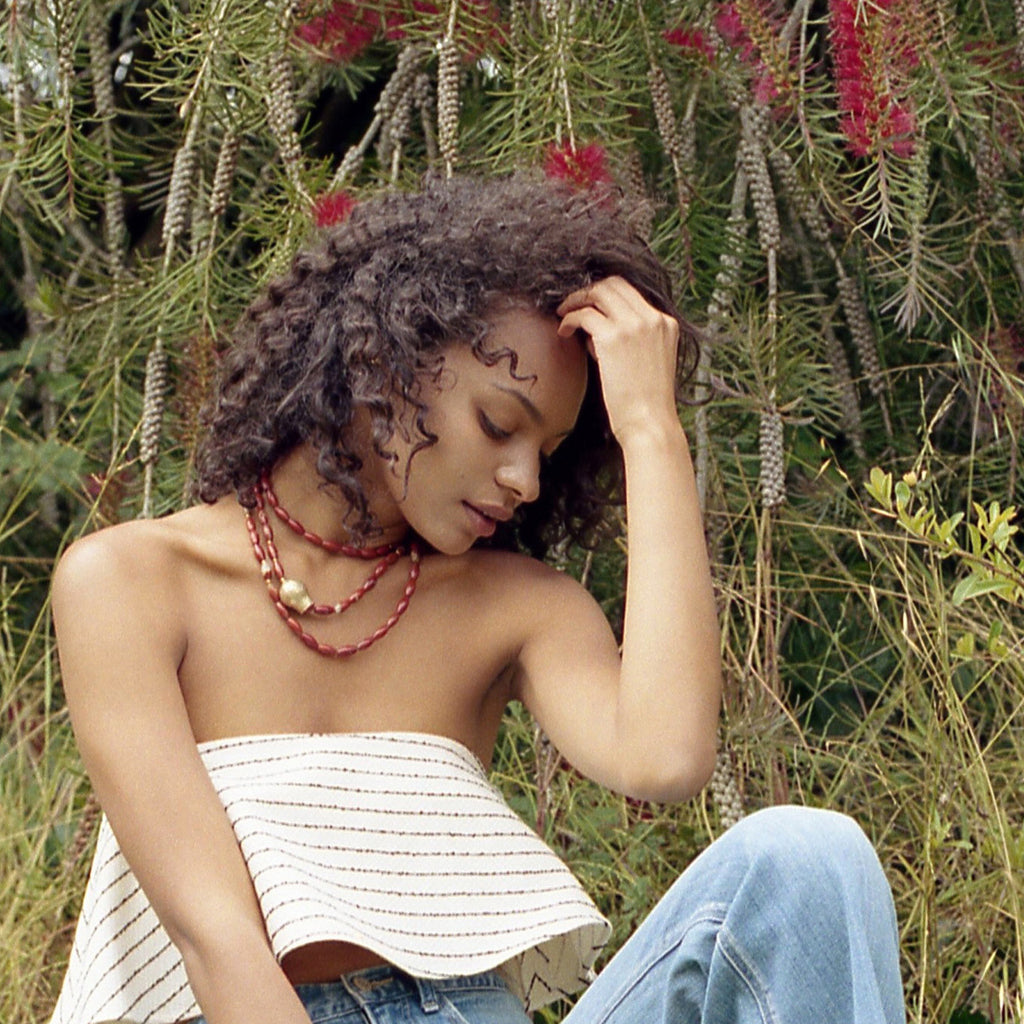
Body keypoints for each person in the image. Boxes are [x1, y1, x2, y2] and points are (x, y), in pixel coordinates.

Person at [49, 175, 905, 1024]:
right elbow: (217, 939)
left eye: (551, 448)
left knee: (808, 858)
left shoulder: (517, 609)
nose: (524, 480)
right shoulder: (130, 584)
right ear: (379, 362)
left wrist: (651, 425)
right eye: (501, 424)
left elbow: (666, 757)